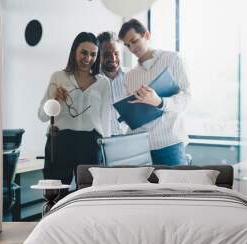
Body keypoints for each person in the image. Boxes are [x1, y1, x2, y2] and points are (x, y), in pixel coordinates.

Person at [38, 32, 111, 185]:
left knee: (88, 196)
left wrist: (107, 152)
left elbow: (106, 120)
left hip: (91, 144)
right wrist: (54, 99)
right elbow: (42, 116)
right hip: (60, 142)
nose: (88, 58)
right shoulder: (58, 77)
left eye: (93, 54)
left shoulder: (103, 83)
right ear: (74, 52)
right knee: (57, 195)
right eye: (83, 52)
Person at [118, 19, 191, 166]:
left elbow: (186, 98)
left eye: (134, 41)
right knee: (140, 189)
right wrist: (125, 116)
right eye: (127, 45)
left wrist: (160, 102)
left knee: (176, 189)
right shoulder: (130, 76)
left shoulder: (172, 59)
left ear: (147, 35)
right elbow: (132, 114)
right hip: (139, 148)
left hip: (170, 144)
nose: (132, 48)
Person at [97, 31, 128, 135]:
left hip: (129, 139)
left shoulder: (132, 76)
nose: (113, 59)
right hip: (101, 142)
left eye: (116, 53)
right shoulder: (91, 81)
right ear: (98, 56)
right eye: (107, 54)